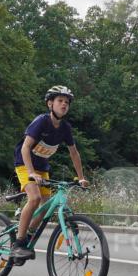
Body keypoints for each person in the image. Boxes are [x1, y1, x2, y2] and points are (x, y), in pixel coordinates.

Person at [10, 85, 89, 262]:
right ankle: (18, 244)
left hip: (42, 168)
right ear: (50, 104)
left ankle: (28, 234)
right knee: (35, 198)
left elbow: (74, 153)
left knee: (45, 205)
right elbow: (25, 147)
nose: (64, 105)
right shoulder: (41, 121)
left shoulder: (65, 128)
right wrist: (30, 173)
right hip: (24, 164)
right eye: (60, 101)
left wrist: (81, 177)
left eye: (67, 102)